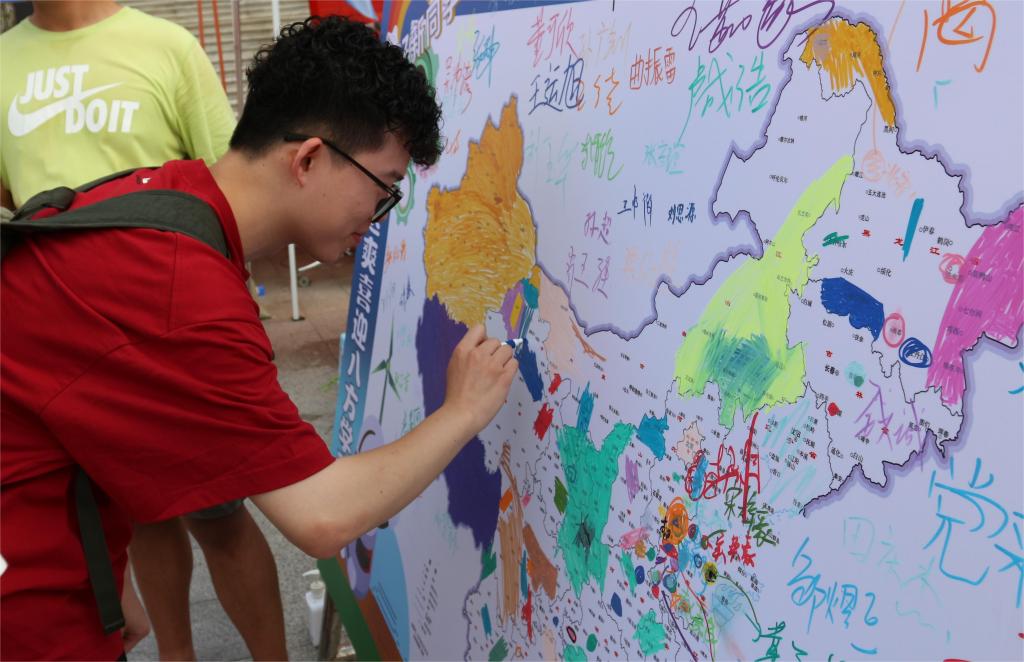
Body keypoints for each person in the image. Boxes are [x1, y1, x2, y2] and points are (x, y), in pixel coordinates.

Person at [0, 14, 518, 661]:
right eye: (383, 189)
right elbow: (322, 516)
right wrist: (462, 411)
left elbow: (68, 409)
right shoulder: (182, 289)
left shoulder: (168, 196)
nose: (378, 217)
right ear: (309, 159)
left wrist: (107, 576)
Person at [2, 3, 298, 659]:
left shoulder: (166, 46)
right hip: (71, 357)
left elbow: (233, 182)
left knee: (219, 514)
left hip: (173, 337)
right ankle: (176, 654)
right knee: (139, 521)